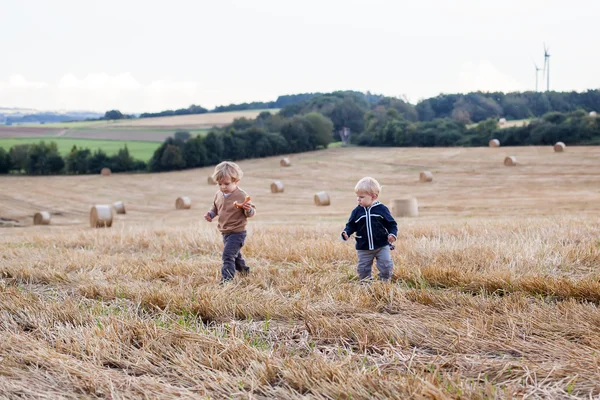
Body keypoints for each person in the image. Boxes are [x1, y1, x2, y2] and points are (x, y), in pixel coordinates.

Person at [204, 161, 256, 283]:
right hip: (225, 232)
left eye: (226, 184)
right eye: (219, 184)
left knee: (227, 256)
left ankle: (226, 281)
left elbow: (252, 213)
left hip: (238, 233)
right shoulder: (219, 194)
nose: (223, 187)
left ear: (236, 181)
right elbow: (216, 208)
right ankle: (244, 271)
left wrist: (248, 210)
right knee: (235, 256)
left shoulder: (242, 195)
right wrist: (210, 214)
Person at [341, 177, 397, 283]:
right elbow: (351, 225)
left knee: (386, 265)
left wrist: (393, 234)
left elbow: (391, 224)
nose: (358, 199)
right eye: (357, 197)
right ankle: (366, 284)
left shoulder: (382, 209)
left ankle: (385, 282)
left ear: (373, 196)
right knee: (363, 269)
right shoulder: (356, 212)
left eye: (361, 197)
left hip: (382, 245)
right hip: (363, 247)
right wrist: (346, 232)